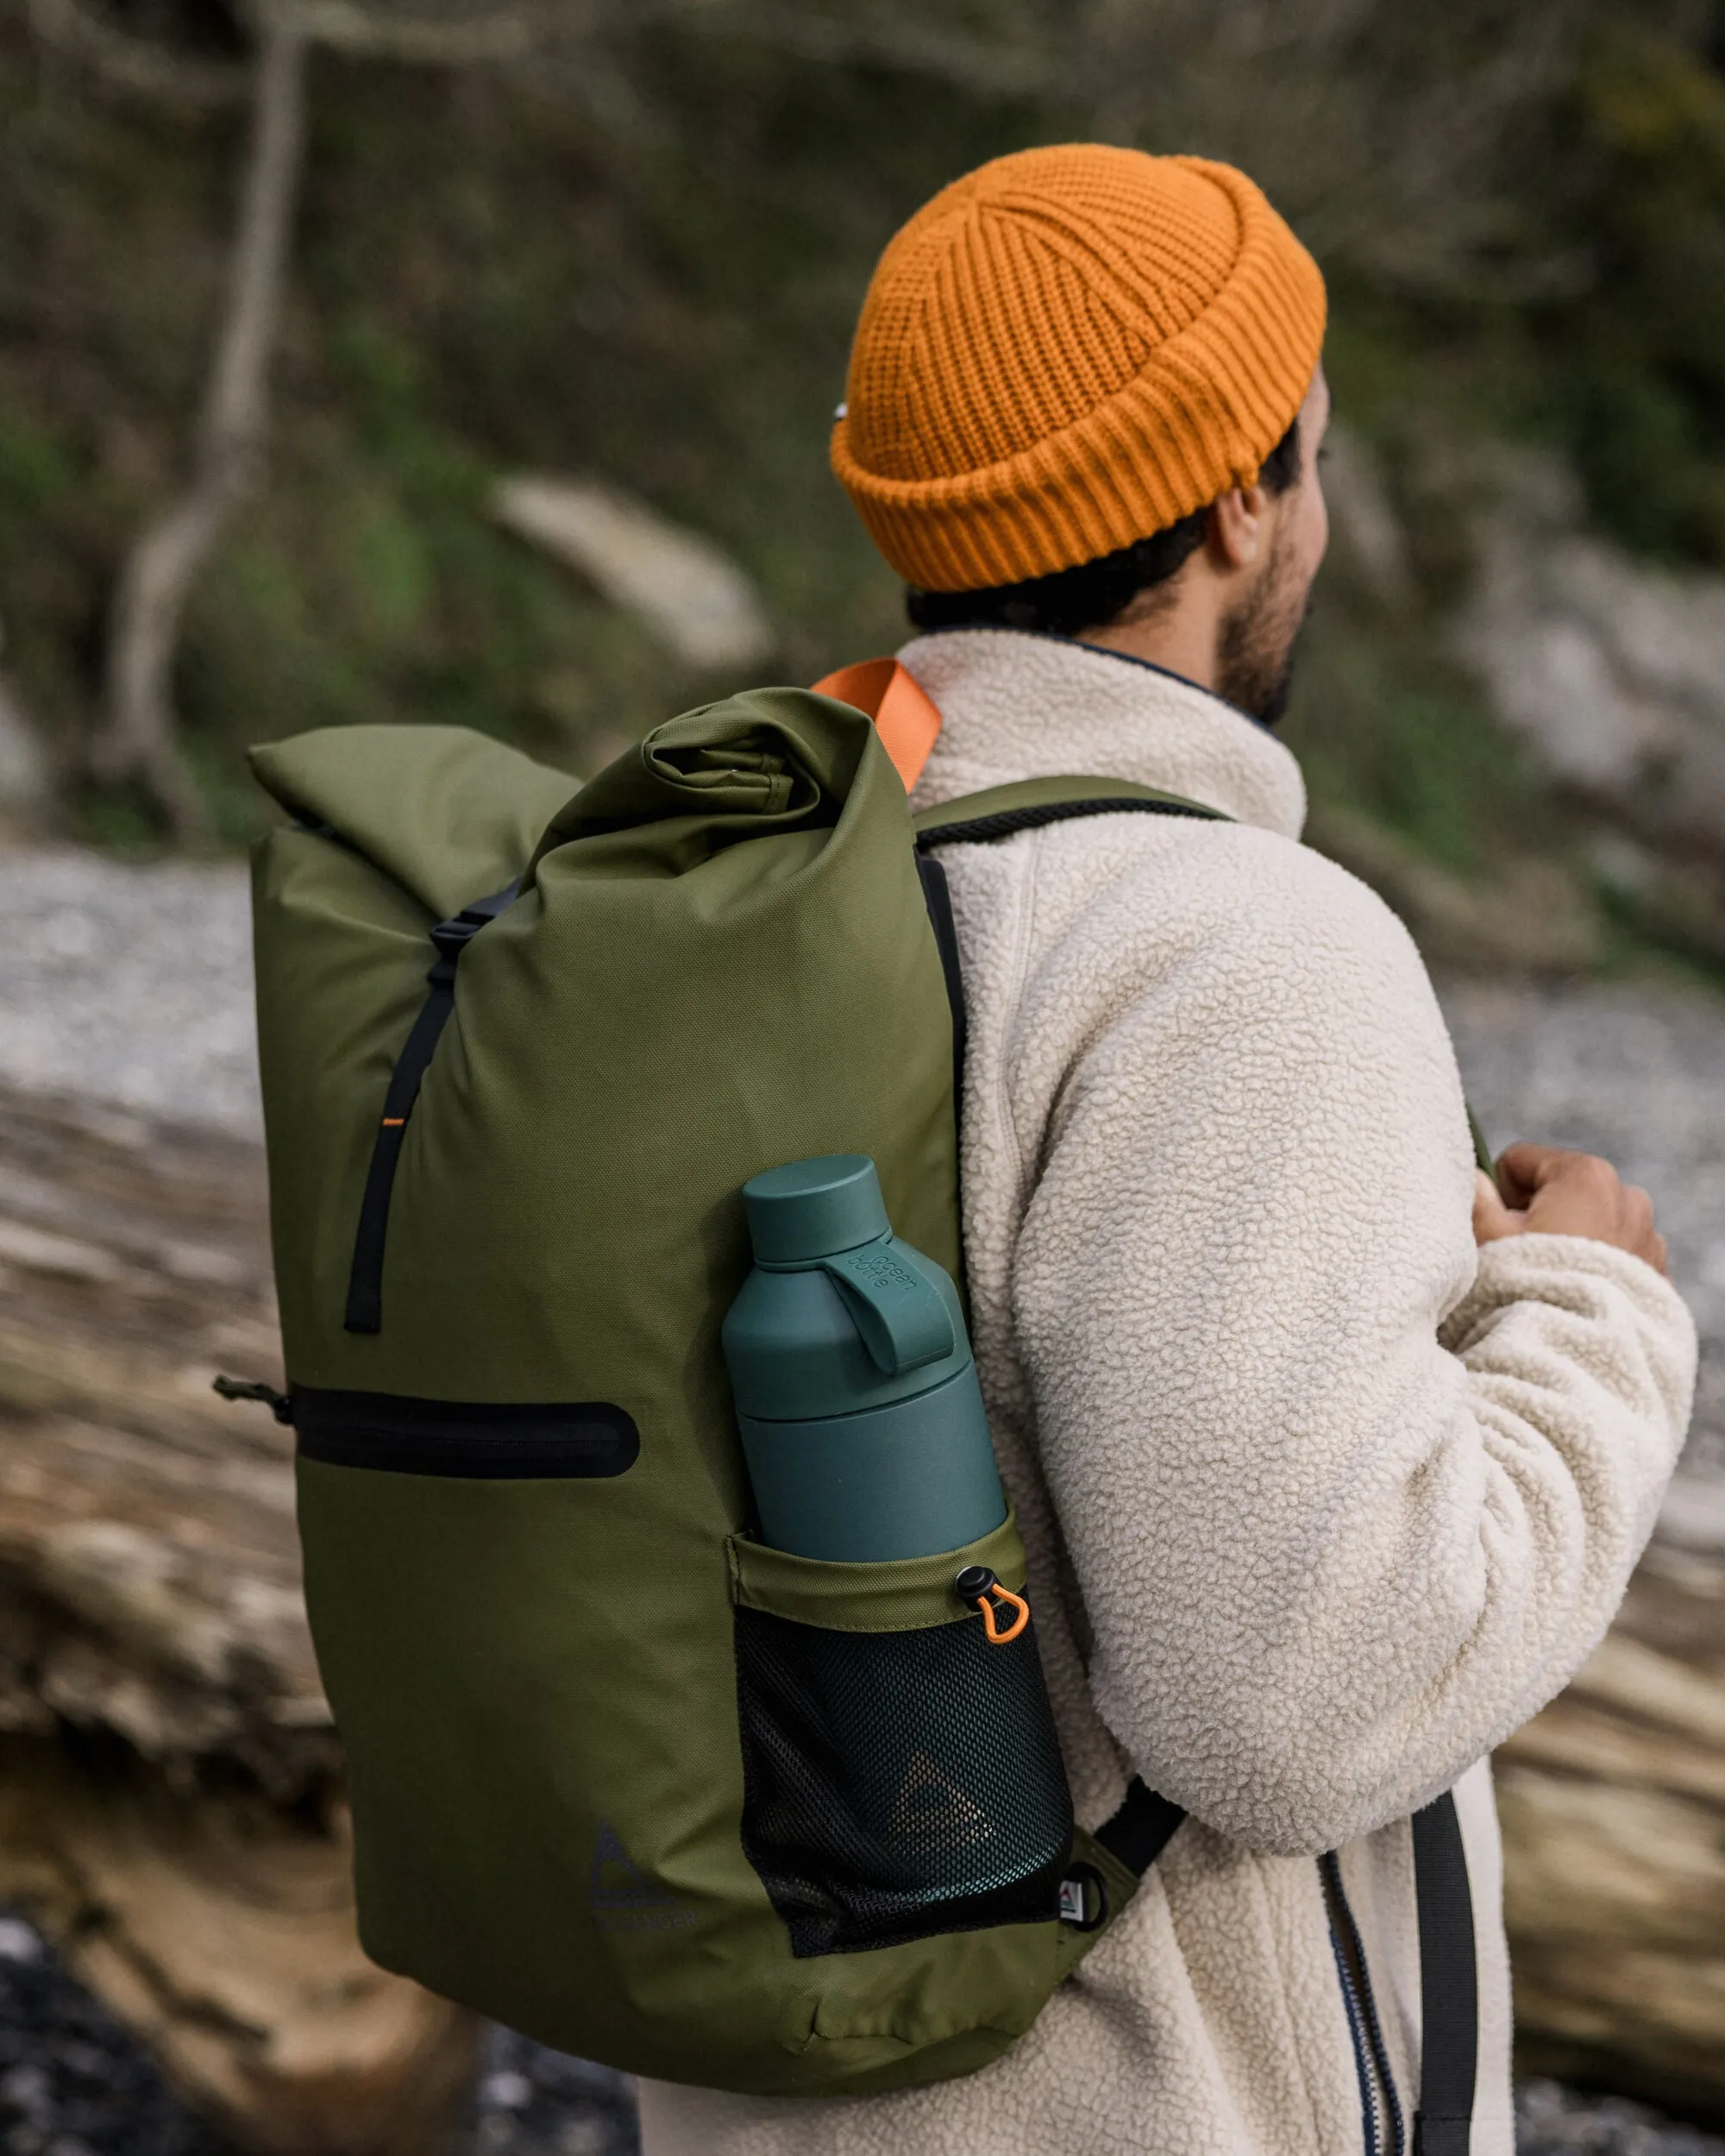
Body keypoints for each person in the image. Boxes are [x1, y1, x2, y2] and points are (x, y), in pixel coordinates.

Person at [637, 143, 1696, 2156]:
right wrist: (1596, 1318)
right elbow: (1291, 1699)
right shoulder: (1228, 953)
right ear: (1239, 500)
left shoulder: (735, 895)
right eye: (1311, 445)